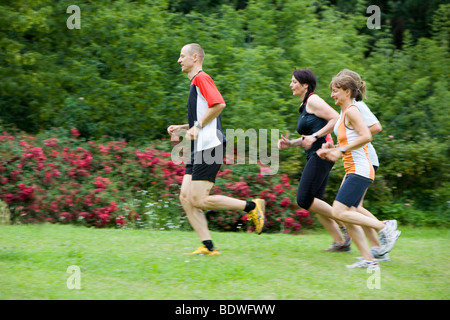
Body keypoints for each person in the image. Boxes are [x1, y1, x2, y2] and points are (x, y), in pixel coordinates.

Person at [167, 43, 265, 256]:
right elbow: (206, 113)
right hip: (199, 146)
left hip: (210, 145)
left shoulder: (202, 78)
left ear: (195, 57)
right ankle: (209, 247)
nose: (178, 60)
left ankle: (251, 206)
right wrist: (184, 127)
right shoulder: (195, 83)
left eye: (182, 56)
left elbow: (219, 104)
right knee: (185, 196)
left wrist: (197, 127)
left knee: (199, 199)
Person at [317, 70, 401, 268]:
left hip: (361, 169)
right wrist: (332, 148)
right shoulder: (345, 113)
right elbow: (352, 139)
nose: (332, 95)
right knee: (349, 212)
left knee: (339, 212)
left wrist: (341, 150)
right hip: (353, 168)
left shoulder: (354, 110)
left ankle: (385, 226)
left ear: (347, 91)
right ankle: (369, 260)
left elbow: (367, 136)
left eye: (335, 91)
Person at [278, 69, 350, 250]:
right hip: (315, 154)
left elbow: (336, 117)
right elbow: (308, 137)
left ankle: (345, 223)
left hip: (323, 154)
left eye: (294, 81)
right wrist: (291, 144)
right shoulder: (304, 105)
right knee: (316, 201)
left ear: (305, 85)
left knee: (304, 199)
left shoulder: (313, 100)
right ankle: (341, 243)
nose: (290, 85)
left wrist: (316, 135)